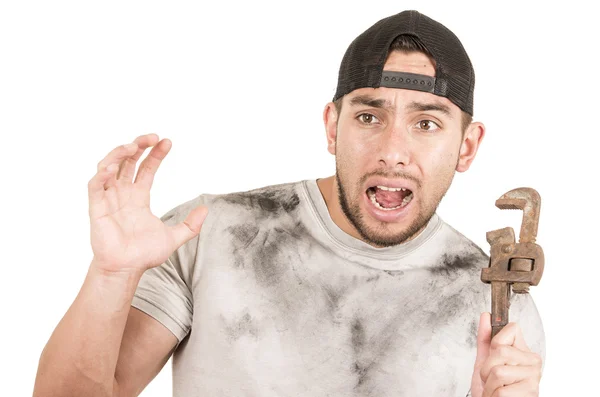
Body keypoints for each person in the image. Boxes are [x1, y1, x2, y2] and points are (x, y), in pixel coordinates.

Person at [33, 10, 544, 397]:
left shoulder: (498, 307)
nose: (394, 151)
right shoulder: (209, 235)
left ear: (467, 146)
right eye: (369, 116)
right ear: (331, 126)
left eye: (426, 123)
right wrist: (111, 275)